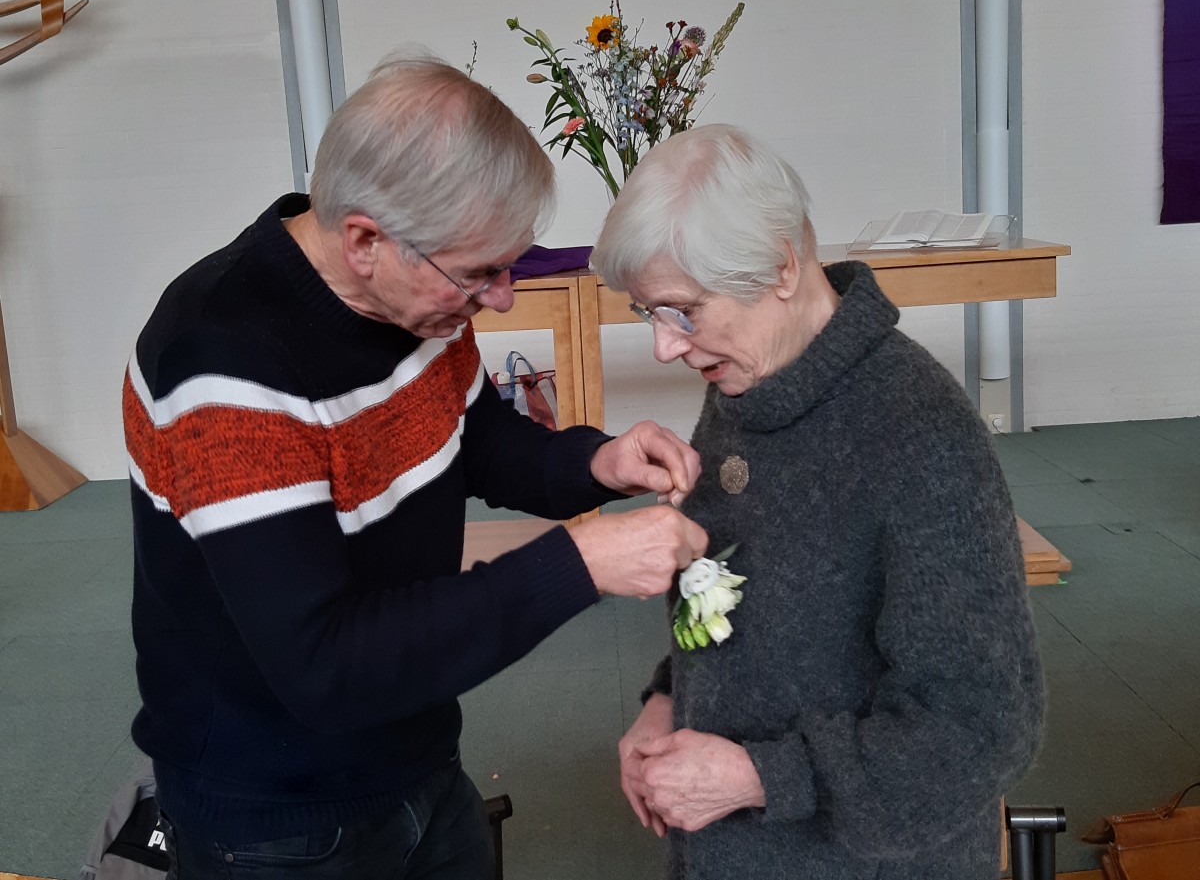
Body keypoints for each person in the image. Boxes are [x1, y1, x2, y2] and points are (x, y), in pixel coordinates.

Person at [121, 54, 707, 880]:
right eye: (479, 273)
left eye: (510, 263)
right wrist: (583, 563)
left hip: (415, 745)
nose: (501, 297)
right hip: (277, 816)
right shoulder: (227, 365)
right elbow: (326, 667)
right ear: (365, 240)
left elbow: (476, 440)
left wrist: (599, 463)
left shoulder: (415, 296)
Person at [591, 124, 1045, 880]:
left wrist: (759, 776)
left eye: (682, 310)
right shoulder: (746, 382)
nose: (665, 346)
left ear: (779, 267)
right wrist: (668, 699)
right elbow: (738, 597)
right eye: (651, 314)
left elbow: (982, 725)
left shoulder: (919, 430)